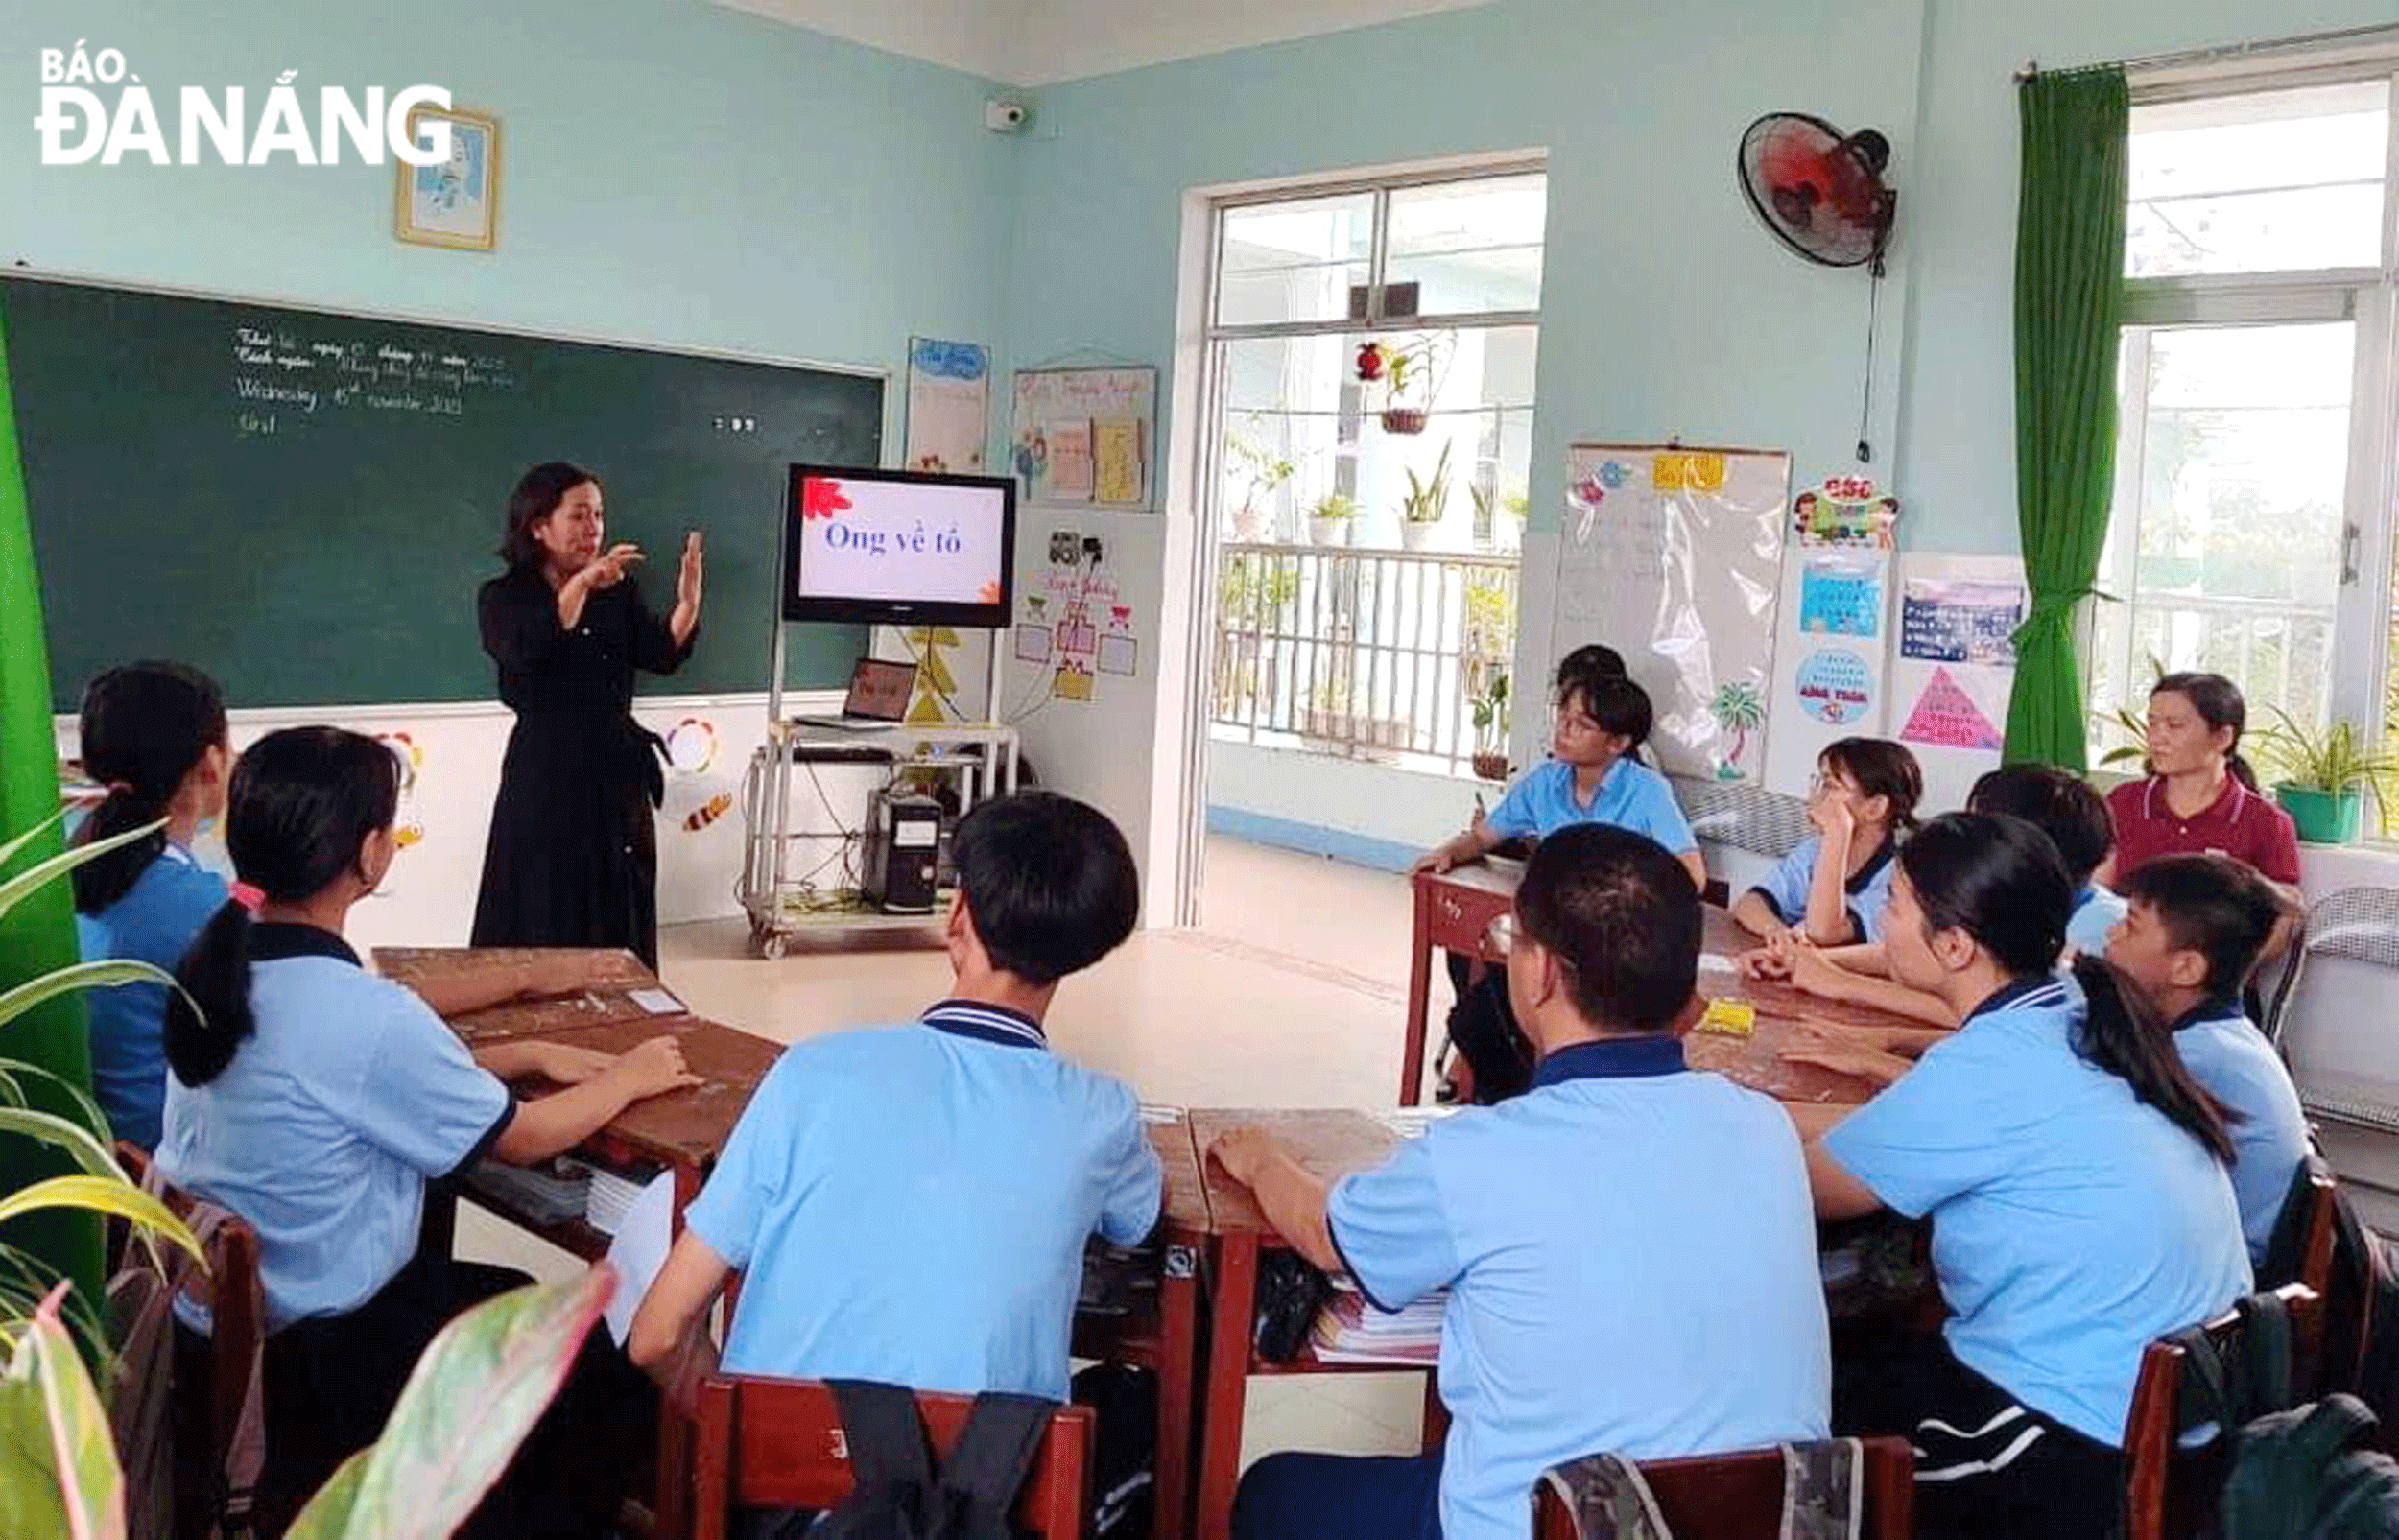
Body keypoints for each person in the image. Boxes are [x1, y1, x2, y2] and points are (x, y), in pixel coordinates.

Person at [1216, 826, 1830, 1540]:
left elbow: (1325, 1235)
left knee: (1272, 1491)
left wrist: (1263, 1159)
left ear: (1538, 974)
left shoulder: (1481, 1154)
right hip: (1767, 1519)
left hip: (1551, 1523)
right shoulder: (1766, 1130)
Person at [158, 726, 701, 1530]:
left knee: (492, 1292)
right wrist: (632, 1073)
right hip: (327, 1350)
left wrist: (525, 1049)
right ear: (372, 852)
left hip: (224, 1327)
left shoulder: (219, 973)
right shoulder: (366, 1015)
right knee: (561, 1336)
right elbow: (523, 1137)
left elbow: (355, 1077)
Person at [629, 791, 1161, 1410]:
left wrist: (741, 1432)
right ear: (1085, 952)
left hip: (779, 1486)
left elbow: (656, 1336)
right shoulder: (1103, 1113)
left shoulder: (811, 1075)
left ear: (957, 920)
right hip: (979, 1487)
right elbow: (1135, 1220)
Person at [1796, 813, 2249, 1539]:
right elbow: (1874, 1134)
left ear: (1953, 944)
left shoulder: (1993, 1064)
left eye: (1895, 904)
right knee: (1848, 1364)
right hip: (2166, 1404)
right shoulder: (2072, 1007)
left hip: (2076, 1438)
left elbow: (1810, 1187)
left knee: (1794, 1449)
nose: (1882, 917)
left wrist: (1698, 1121)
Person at [1418, 661, 1703, 1102]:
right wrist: (1448, 853)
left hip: (1613, 954)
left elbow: (1691, 876)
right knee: (1477, 1017)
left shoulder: (1646, 790)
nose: (1563, 730)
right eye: (1562, 717)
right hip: (1555, 942)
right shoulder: (1545, 782)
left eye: (1581, 724)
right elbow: (1483, 836)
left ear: (1618, 743)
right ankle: (1505, 1105)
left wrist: (1612, 898)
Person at [471, 462, 704, 971]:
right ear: (538, 526)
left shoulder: (617, 591)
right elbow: (527, 650)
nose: (593, 528)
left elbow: (660, 654)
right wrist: (580, 587)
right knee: (542, 898)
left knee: (618, 898)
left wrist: (687, 604)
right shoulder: (504, 596)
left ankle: (619, 1008)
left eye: (598, 515)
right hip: (545, 771)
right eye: (578, 515)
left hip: (616, 768)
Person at [1747, 765, 2127, 1054]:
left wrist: (1842, 984)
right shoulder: (2026, 907)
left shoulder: (2100, 934)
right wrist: (1815, 962)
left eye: (1980, 826)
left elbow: (1975, 1004)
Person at [2107, 854, 2308, 1268]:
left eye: (2130, 926)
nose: (2111, 936)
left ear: (2186, 968)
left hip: (2222, 1288)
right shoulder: (2219, 1038)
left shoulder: (2197, 1060)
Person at [69, 661, 231, 1150]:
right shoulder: (208, 906)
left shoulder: (46, 859)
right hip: (160, 1175)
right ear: (211, 763)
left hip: (71, 1153)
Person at [2102, 673, 2300, 888]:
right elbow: (2095, 892)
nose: (2156, 738)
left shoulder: (2268, 823)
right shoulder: (2122, 803)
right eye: (2152, 723)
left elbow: (2284, 909)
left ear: (2223, 738)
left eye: (2174, 725)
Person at [1731, 737, 1920, 945]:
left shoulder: (1900, 875)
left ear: (1875, 808)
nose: (1818, 796)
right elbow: (1749, 904)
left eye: (1831, 786)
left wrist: (1837, 833)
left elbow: (1824, 933)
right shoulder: (1813, 851)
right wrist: (1776, 931)